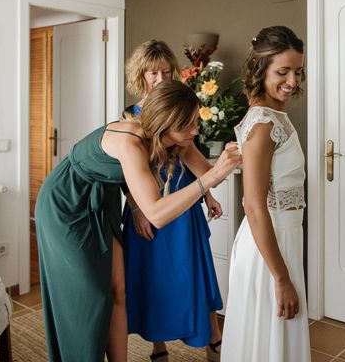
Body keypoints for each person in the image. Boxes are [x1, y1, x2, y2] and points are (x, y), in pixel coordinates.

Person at [35, 80, 241, 362]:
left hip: (99, 201)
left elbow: (207, 169)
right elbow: (156, 213)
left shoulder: (167, 137)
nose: (195, 131)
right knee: (87, 298)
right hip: (66, 204)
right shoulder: (130, 142)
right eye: (187, 125)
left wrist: (238, 156)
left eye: (195, 122)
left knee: (118, 289)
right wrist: (208, 182)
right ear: (165, 124)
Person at [121, 39, 224, 362]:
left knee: (197, 275)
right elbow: (123, 173)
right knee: (153, 280)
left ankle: (214, 341)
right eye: (153, 73)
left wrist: (208, 193)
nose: (161, 79)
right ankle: (158, 348)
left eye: (167, 72)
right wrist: (137, 209)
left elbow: (192, 157)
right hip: (147, 207)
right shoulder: (130, 118)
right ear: (141, 76)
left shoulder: (179, 108)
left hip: (184, 203)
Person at [220, 26, 311, 362]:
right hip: (268, 246)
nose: (292, 81)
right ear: (261, 69)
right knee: (266, 340)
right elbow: (253, 206)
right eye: (282, 72)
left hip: (283, 236)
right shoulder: (262, 126)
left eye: (297, 71)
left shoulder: (274, 116)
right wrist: (282, 277)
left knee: (275, 340)